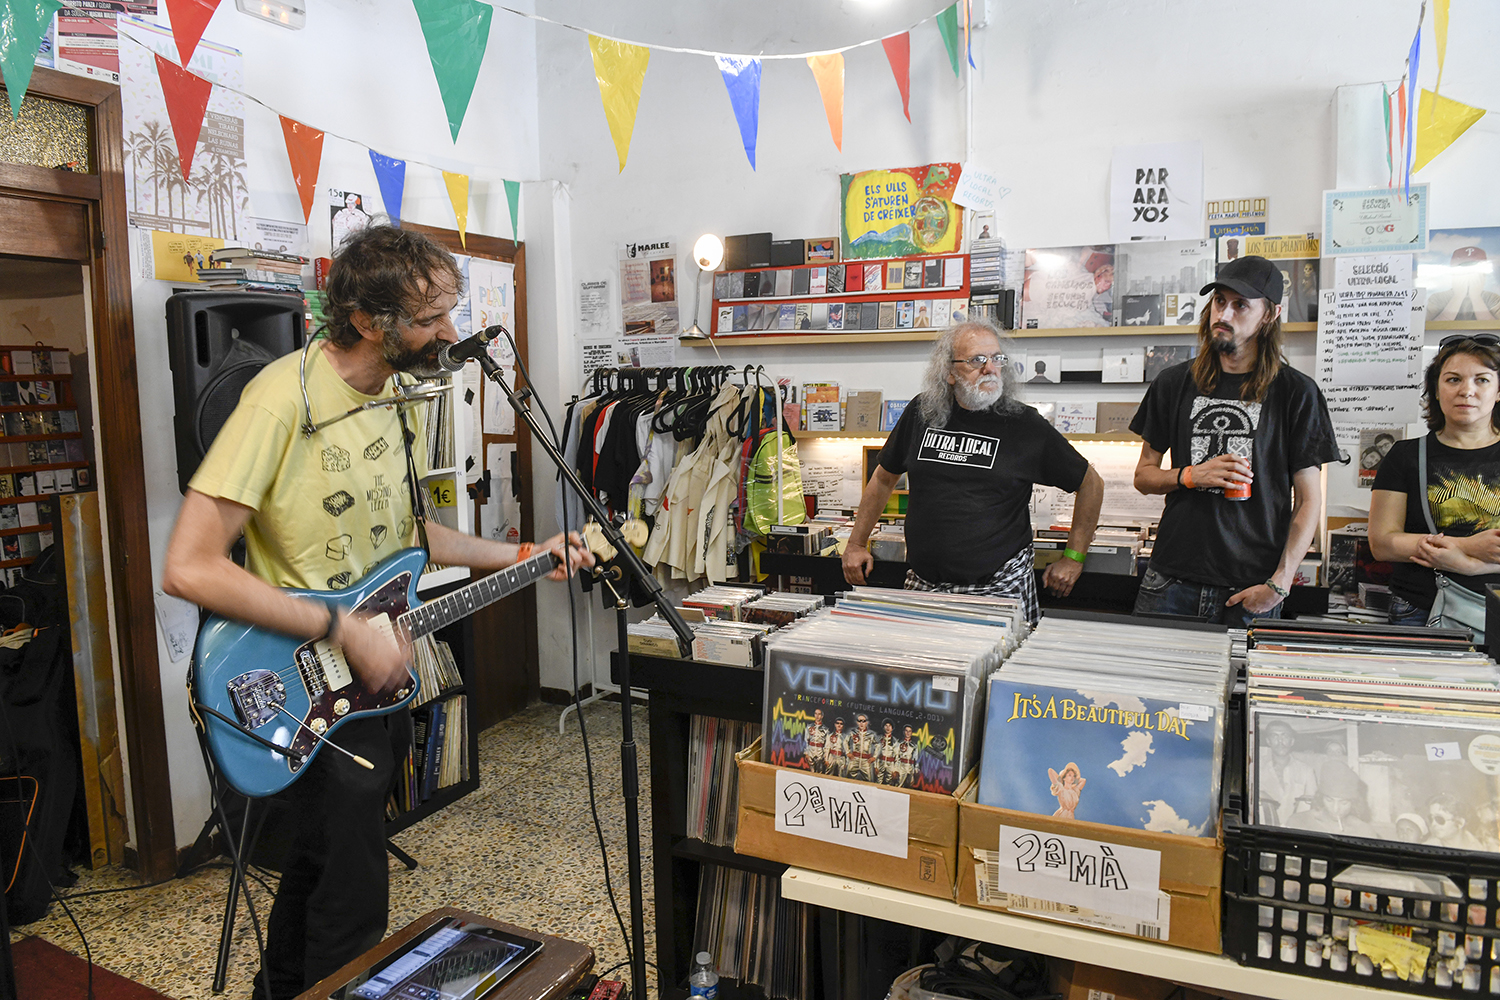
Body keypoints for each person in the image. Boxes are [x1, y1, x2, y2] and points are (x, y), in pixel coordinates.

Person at [161, 225, 592, 1000]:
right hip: (297, 680)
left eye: (449, 315)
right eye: (429, 320)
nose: (449, 335)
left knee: (321, 876)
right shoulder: (277, 401)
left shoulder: (398, 399)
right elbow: (187, 566)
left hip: (370, 688)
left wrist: (527, 553)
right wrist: (338, 627)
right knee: (353, 910)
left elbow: (414, 534)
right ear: (366, 320)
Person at [843, 323, 1104, 623]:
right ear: (949, 372)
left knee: (993, 672)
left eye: (997, 359)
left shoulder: (1025, 425)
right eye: (977, 360)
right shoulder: (921, 412)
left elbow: (1091, 484)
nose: (990, 368)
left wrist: (1074, 557)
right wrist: (856, 543)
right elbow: (883, 477)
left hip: (998, 589)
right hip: (925, 586)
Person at [1130, 255, 1340, 626]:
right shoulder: (1172, 383)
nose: (1223, 314)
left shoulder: (1297, 393)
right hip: (1169, 582)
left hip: (1250, 590)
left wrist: (1280, 583)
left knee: (1243, 686)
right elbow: (1144, 476)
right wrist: (1191, 476)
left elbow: (1309, 500)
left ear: (1270, 315)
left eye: (1240, 304)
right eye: (1219, 301)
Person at [1369, 336, 1500, 628]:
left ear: (1498, 390)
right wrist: (1466, 545)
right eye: (1453, 379)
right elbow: (1382, 543)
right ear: (1436, 392)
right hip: (1418, 610)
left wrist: (1471, 565)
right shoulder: (1405, 455)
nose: (1467, 391)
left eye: (1482, 380)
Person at [1257, 720, 1318, 826]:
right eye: (1274, 736)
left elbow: (1313, 806)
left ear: (1292, 741)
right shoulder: (1255, 767)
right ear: (1268, 741)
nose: (1280, 741)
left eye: (1284, 736)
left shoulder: (1306, 771)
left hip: (1295, 830)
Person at [1298, 761, 1376, 837]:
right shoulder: (1299, 822)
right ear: (1321, 798)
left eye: (1344, 802)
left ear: (1354, 803)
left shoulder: (1364, 831)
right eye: (1329, 800)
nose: (1335, 809)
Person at [846, 713, 878, 782]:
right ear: (857, 722)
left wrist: (874, 757)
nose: (861, 723)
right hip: (855, 759)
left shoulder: (871, 734)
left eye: (863, 721)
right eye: (859, 721)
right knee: (849, 778)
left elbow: (878, 745)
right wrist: (848, 752)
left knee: (868, 780)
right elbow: (845, 741)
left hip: (866, 761)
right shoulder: (853, 732)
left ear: (866, 722)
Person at [803, 708, 829, 772]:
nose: (817, 716)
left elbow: (827, 745)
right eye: (815, 714)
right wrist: (806, 753)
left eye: (819, 714)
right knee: (811, 770)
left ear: (822, 716)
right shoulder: (809, 726)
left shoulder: (826, 729)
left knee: (819, 771)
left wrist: (826, 758)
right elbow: (806, 740)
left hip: (820, 752)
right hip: (811, 750)